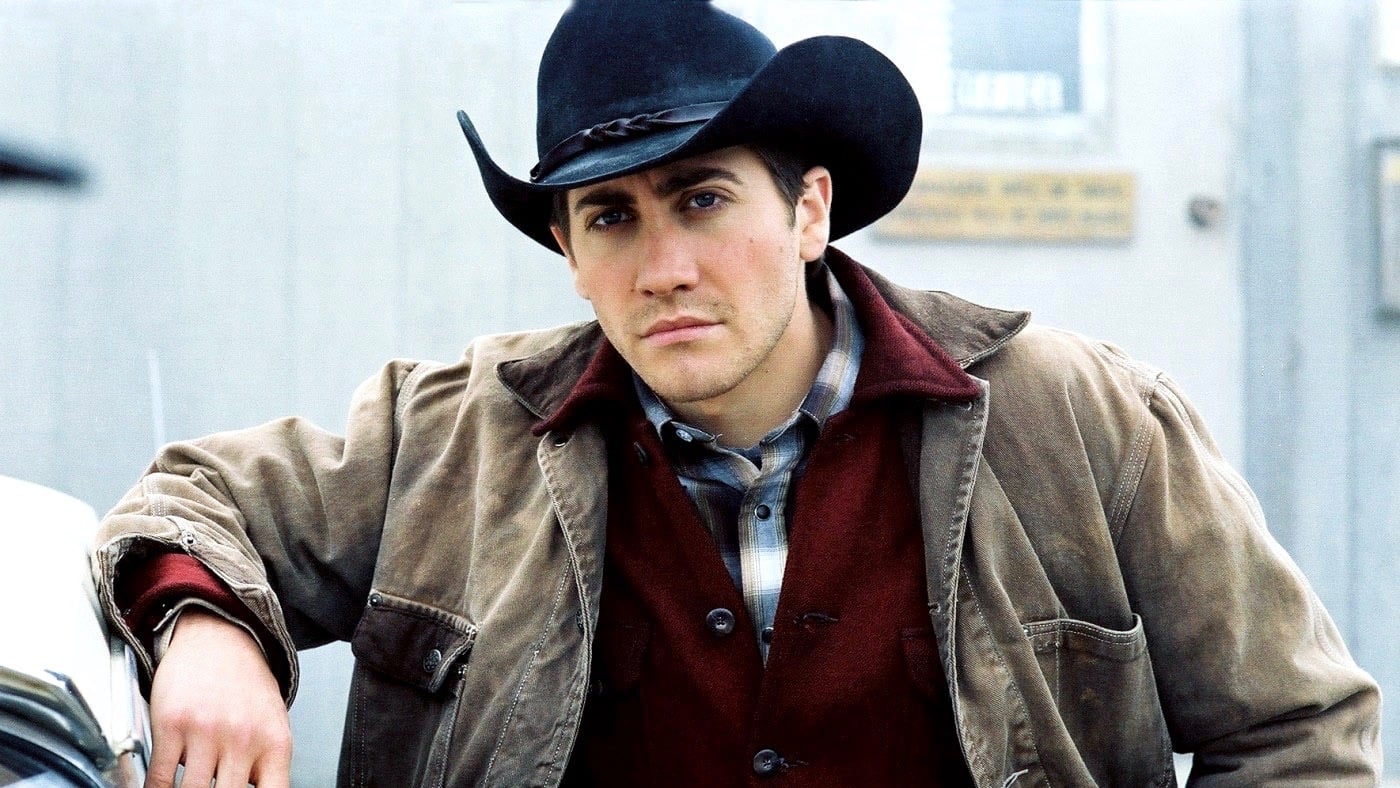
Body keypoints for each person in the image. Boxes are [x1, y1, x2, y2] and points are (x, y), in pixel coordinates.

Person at [92, 2, 1382, 787]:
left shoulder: (1080, 421)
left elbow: (1300, 732)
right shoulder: (449, 436)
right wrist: (212, 631)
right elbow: (195, 503)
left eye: (703, 198)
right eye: (611, 217)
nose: (663, 267)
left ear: (810, 209)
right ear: (569, 251)